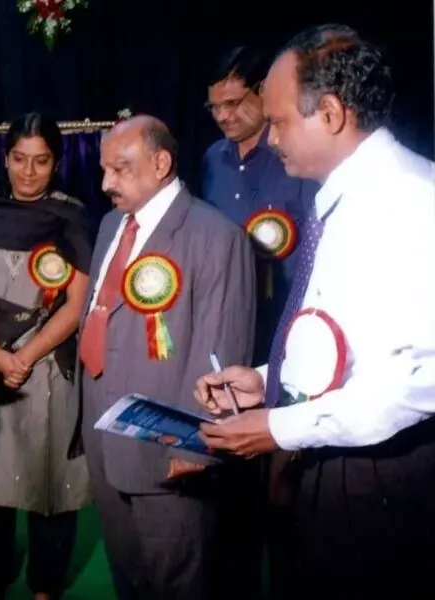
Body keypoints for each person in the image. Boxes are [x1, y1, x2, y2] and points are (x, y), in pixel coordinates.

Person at [195, 24, 435, 600]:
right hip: (331, 464)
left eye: (278, 121)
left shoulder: (407, 201)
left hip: (379, 480)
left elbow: (416, 381)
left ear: (328, 113)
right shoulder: (352, 195)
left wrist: (280, 425)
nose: (270, 139)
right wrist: (268, 382)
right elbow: (348, 340)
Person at [74, 115, 258, 599]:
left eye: (119, 169)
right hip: (102, 434)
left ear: (161, 163)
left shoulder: (217, 238)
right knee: (128, 577)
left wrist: (192, 445)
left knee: (179, 583)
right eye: (103, 170)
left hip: (167, 452)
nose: (106, 183)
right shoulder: (112, 224)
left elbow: (223, 352)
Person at [0, 113, 93, 600]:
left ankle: (45, 586)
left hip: (50, 367)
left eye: (41, 161)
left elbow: (77, 302)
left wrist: (26, 355)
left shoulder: (71, 215)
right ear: (4, 159)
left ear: (56, 163)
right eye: (19, 159)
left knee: (53, 484)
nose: (29, 172)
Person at [201, 44, 319, 597]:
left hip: (293, 332)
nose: (225, 116)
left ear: (260, 96)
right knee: (233, 480)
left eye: (234, 103)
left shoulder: (295, 155)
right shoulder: (210, 161)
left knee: (287, 482)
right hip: (231, 333)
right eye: (215, 108)